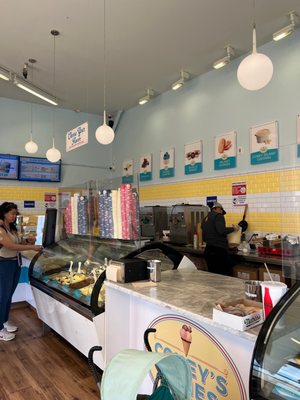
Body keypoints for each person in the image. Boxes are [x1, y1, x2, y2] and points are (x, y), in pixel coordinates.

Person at [0, 202, 43, 341]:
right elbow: (10, 245)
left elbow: (18, 242)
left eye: (15, 213)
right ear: (4, 213)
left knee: (8, 295)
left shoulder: (11, 228)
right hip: (4, 264)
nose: (14, 216)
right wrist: (31, 247)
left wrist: (27, 241)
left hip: (14, 264)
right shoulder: (0, 228)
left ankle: (4, 321)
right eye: (11, 213)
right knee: (2, 296)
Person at [201, 202, 239, 276]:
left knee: (213, 276)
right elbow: (221, 231)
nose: (221, 213)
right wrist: (233, 229)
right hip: (218, 252)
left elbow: (205, 232)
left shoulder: (206, 218)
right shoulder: (218, 216)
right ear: (218, 208)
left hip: (208, 250)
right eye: (221, 210)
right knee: (224, 275)